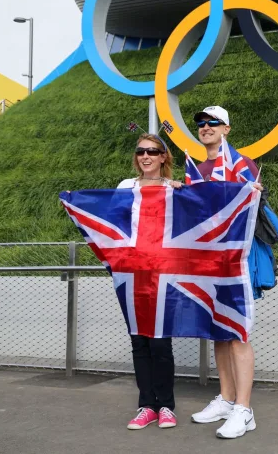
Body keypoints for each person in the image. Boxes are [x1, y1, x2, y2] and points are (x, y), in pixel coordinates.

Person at [189, 106, 262, 439]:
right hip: (207, 261)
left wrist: (253, 196)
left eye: (211, 122)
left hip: (235, 260)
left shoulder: (241, 164)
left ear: (226, 128)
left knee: (238, 332)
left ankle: (244, 410)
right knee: (219, 331)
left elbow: (247, 208)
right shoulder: (196, 169)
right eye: (201, 124)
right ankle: (227, 398)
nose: (205, 127)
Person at [118, 133, 181, 430]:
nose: (146, 156)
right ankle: (147, 405)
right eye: (141, 151)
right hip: (131, 272)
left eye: (153, 152)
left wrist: (248, 191)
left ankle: (166, 406)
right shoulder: (125, 187)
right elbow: (109, 218)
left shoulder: (173, 188)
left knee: (159, 342)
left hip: (163, 274)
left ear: (163, 157)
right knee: (138, 342)